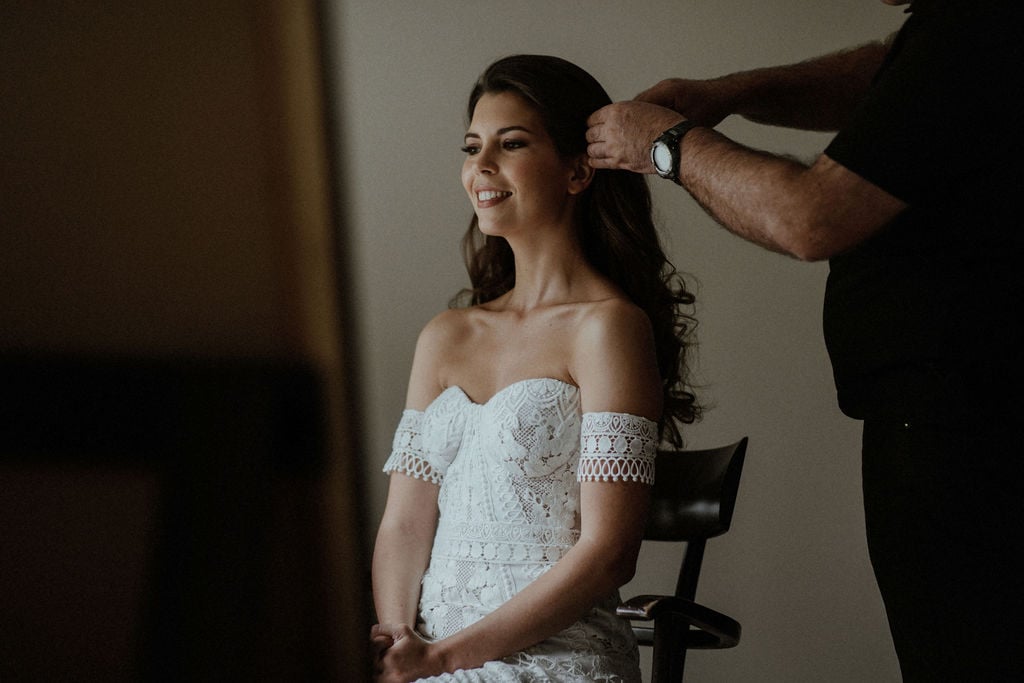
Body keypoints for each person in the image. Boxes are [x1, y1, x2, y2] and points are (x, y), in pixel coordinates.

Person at [586, 0, 1023, 680]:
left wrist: (668, 145)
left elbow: (809, 218)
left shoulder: (984, 24)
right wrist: (731, 94)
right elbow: (886, 73)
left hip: (972, 433)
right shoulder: (953, 32)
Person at [370, 54, 699, 682]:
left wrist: (446, 657)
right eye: (473, 148)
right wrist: (400, 639)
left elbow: (609, 554)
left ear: (578, 170)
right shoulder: (446, 335)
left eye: (511, 143)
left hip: (556, 656)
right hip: (427, 658)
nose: (480, 168)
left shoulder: (607, 328)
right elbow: (405, 520)